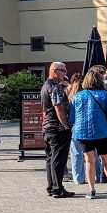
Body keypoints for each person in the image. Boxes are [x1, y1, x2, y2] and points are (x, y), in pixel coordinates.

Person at [69, 69, 107, 199]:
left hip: (82, 133)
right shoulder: (104, 94)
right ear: (100, 81)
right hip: (102, 132)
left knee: (89, 161)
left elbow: (71, 118)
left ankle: (91, 190)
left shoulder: (77, 96)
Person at [41, 62, 74, 198]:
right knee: (58, 159)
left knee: (51, 158)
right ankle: (57, 188)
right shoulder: (54, 87)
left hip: (48, 127)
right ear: (54, 71)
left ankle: (51, 186)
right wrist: (66, 126)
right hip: (57, 128)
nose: (65, 73)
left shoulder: (46, 85)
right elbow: (58, 108)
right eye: (63, 71)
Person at [68, 73, 101, 184]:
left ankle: (78, 178)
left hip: (76, 128)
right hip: (92, 127)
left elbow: (71, 117)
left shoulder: (71, 96)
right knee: (93, 153)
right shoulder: (91, 94)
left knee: (76, 153)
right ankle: (97, 175)